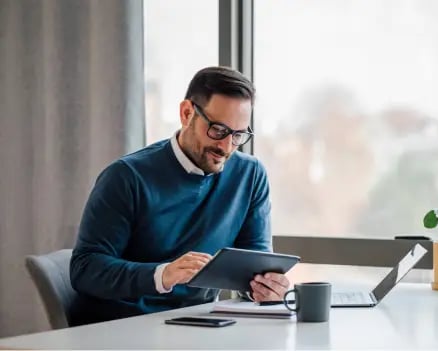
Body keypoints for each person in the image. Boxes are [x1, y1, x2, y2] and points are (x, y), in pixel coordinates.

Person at [69, 66, 289, 325]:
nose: (226, 146)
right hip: (121, 327)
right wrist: (163, 274)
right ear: (187, 113)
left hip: (198, 324)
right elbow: (85, 269)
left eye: (238, 135)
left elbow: (253, 267)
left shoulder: (250, 176)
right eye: (218, 130)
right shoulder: (126, 177)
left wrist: (265, 287)